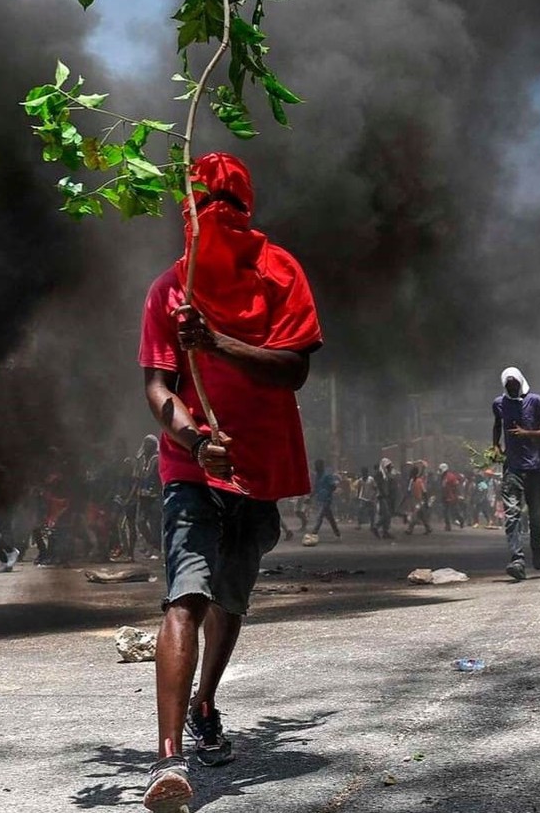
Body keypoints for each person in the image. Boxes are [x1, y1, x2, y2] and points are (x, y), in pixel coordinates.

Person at [138, 152, 322, 812]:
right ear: (186, 215)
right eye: (203, 206)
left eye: (228, 206)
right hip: (190, 466)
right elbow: (159, 388)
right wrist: (195, 440)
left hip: (259, 468)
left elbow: (294, 368)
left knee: (230, 599)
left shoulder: (281, 272)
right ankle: (167, 761)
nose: (216, 218)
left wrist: (217, 342)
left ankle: (205, 703)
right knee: (184, 596)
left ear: (247, 210)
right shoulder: (168, 290)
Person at [492, 366, 540, 581]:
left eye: (515, 384)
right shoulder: (499, 404)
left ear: (520, 383)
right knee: (512, 515)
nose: (512, 388)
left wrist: (527, 433)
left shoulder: (536, 401)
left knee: (535, 516)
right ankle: (517, 559)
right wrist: (496, 446)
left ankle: (536, 548)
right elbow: (497, 425)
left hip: (535, 467)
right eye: (508, 385)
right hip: (512, 468)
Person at [310, 458, 341, 539]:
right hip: (320, 499)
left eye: (317, 466)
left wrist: (327, 492)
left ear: (321, 466)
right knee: (330, 517)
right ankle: (337, 532)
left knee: (319, 516)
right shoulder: (317, 476)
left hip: (326, 500)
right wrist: (310, 497)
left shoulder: (327, 475)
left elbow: (333, 486)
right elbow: (316, 488)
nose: (315, 467)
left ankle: (314, 533)